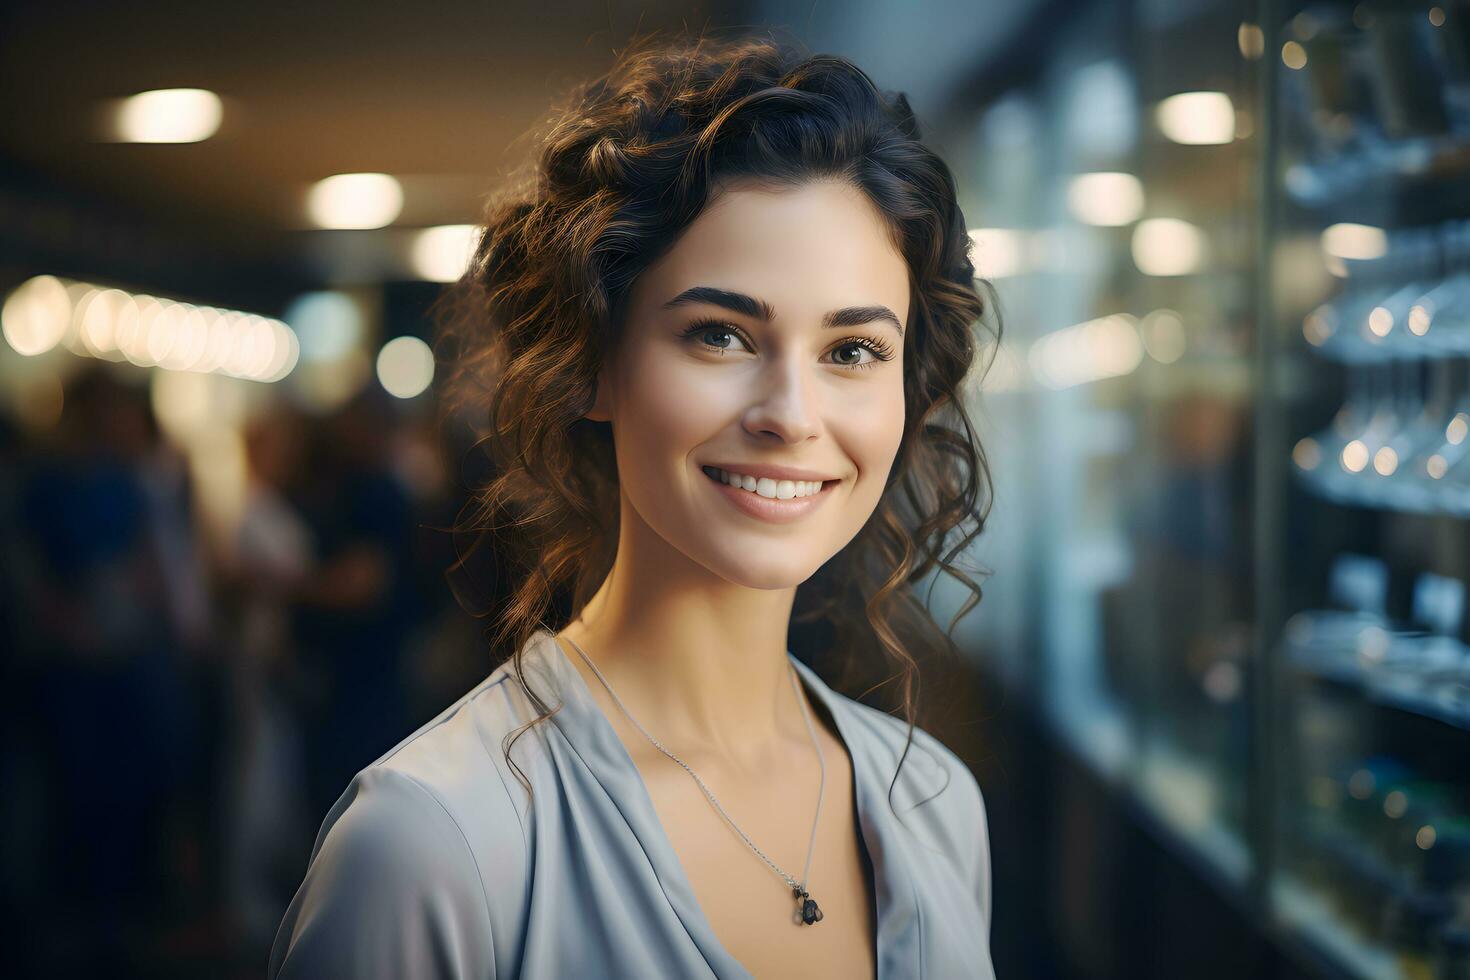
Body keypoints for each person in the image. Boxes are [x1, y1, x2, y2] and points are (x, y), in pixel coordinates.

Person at [270, 28, 1000, 979]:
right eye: (720, 336)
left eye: (852, 350)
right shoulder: (435, 847)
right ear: (594, 364)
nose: (790, 415)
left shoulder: (936, 805)